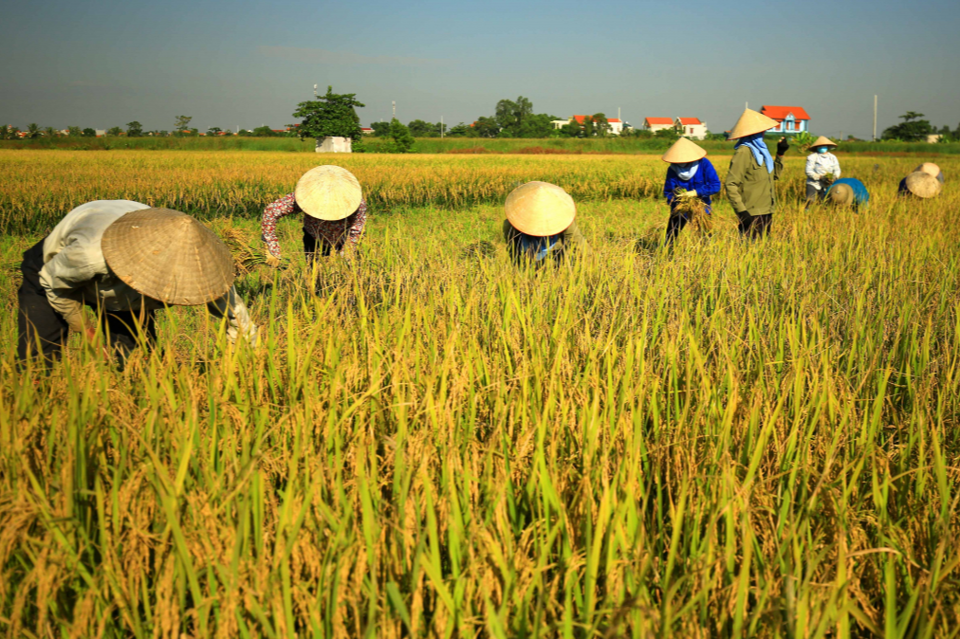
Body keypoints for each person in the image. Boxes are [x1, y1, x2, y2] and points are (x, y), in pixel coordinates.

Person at [17, 201, 257, 369]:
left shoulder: (204, 266)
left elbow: (239, 319)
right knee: (38, 354)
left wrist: (242, 369)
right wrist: (87, 331)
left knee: (137, 362)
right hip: (55, 270)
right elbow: (55, 284)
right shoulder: (89, 256)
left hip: (119, 287)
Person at [261, 165, 367, 267]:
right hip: (313, 237)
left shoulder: (357, 203)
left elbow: (357, 230)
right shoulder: (304, 196)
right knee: (314, 273)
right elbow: (271, 211)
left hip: (343, 237)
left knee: (349, 272)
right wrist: (272, 246)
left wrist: (347, 253)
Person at [725, 109, 787, 239]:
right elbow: (731, 184)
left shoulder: (763, 153)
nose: (763, 134)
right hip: (750, 212)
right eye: (761, 131)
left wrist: (780, 154)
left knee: (763, 252)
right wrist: (742, 212)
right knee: (749, 251)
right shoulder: (744, 152)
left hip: (767, 210)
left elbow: (774, 175)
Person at [502, 181, 588, 265]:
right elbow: (513, 250)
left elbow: (582, 249)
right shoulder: (512, 224)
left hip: (557, 254)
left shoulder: (565, 220)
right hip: (528, 254)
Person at [661, 137, 722, 247]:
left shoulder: (704, 164)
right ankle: (667, 256)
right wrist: (678, 199)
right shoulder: (672, 169)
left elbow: (715, 186)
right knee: (670, 237)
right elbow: (668, 192)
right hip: (679, 209)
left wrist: (695, 193)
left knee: (706, 238)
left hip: (702, 208)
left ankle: (707, 257)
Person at [804, 136, 841, 205]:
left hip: (827, 184)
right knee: (810, 200)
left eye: (824, 146)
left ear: (827, 146)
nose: (822, 147)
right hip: (813, 183)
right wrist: (820, 177)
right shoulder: (812, 157)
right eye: (820, 146)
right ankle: (807, 212)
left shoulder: (832, 157)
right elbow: (808, 171)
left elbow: (837, 169)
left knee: (825, 202)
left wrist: (834, 177)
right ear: (817, 147)